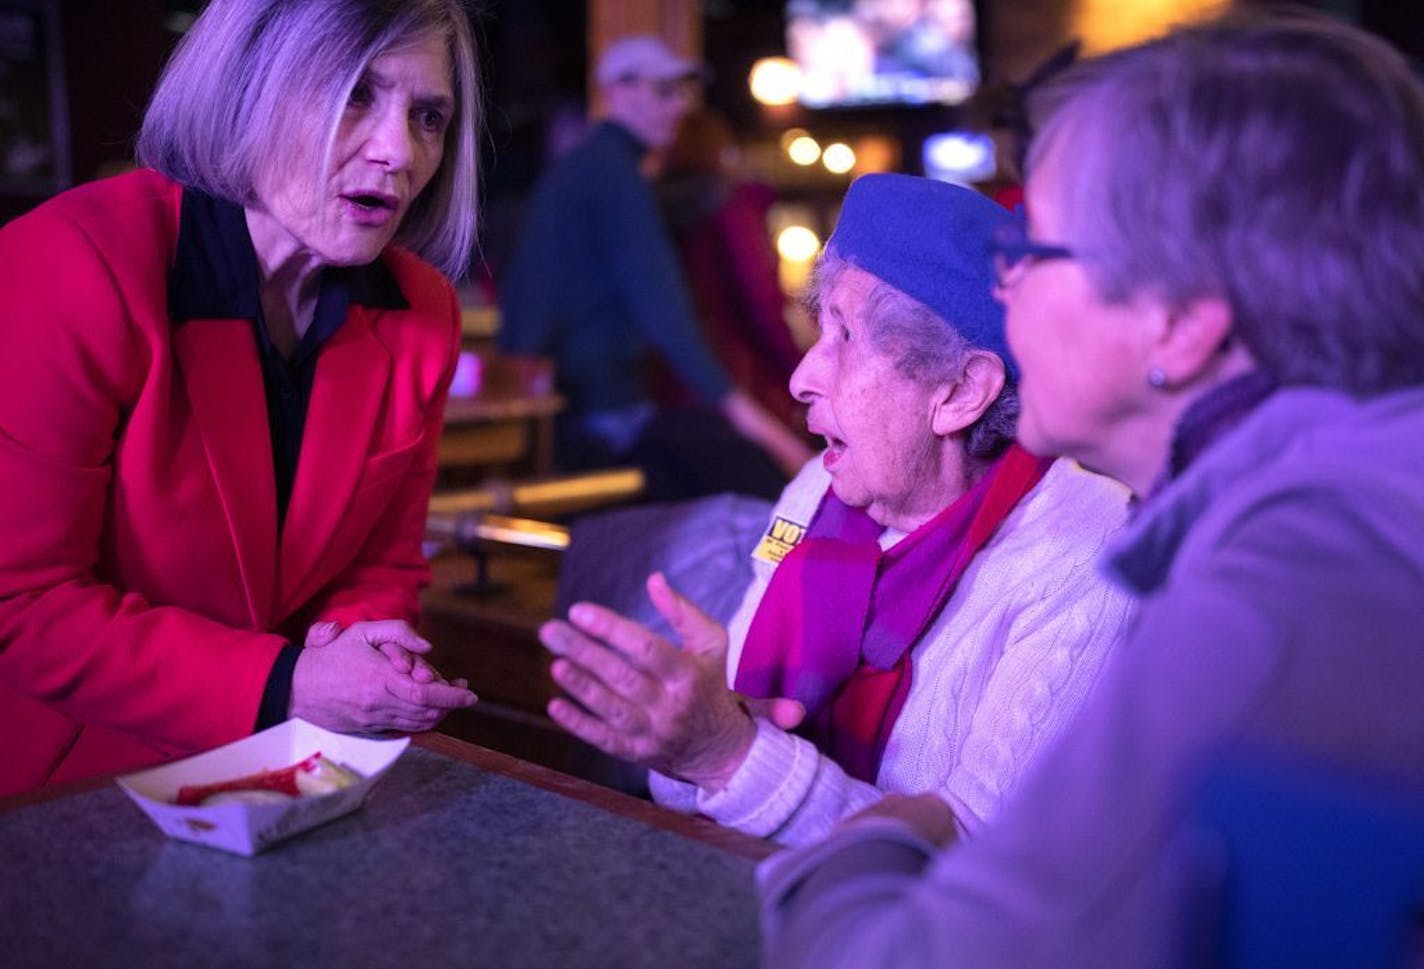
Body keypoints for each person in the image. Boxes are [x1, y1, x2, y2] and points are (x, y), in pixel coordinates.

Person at [758, 11, 1424, 967]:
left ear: (1182, 320)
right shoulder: (1333, 503)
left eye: (1038, 253)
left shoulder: (1295, 584)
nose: (1007, 294)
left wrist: (872, 844)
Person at [538, 173, 1134, 846]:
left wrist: (729, 755)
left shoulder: (1089, 554)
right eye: (817, 330)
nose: (801, 378)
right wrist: (690, 731)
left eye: (844, 337)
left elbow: (975, 857)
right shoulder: (814, 492)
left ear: (963, 391)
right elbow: (707, 777)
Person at [0, 0, 482, 797]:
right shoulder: (68, 264)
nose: (399, 150)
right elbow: (21, 601)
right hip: (54, 794)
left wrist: (366, 666)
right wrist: (291, 682)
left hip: (277, 776)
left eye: (428, 115)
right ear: (246, 89)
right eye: (355, 94)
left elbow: (380, 564)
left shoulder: (421, 311)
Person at [498, 35, 812, 502]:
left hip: (571, 405)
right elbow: (665, 311)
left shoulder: (586, 168)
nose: (678, 107)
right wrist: (771, 434)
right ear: (618, 92)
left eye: (682, 92)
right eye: (663, 91)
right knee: (751, 488)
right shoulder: (616, 177)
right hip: (602, 409)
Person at [656, 107, 807, 438]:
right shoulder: (731, 205)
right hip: (742, 381)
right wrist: (798, 375)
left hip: (674, 384)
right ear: (721, 150)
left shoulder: (654, 210)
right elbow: (761, 303)